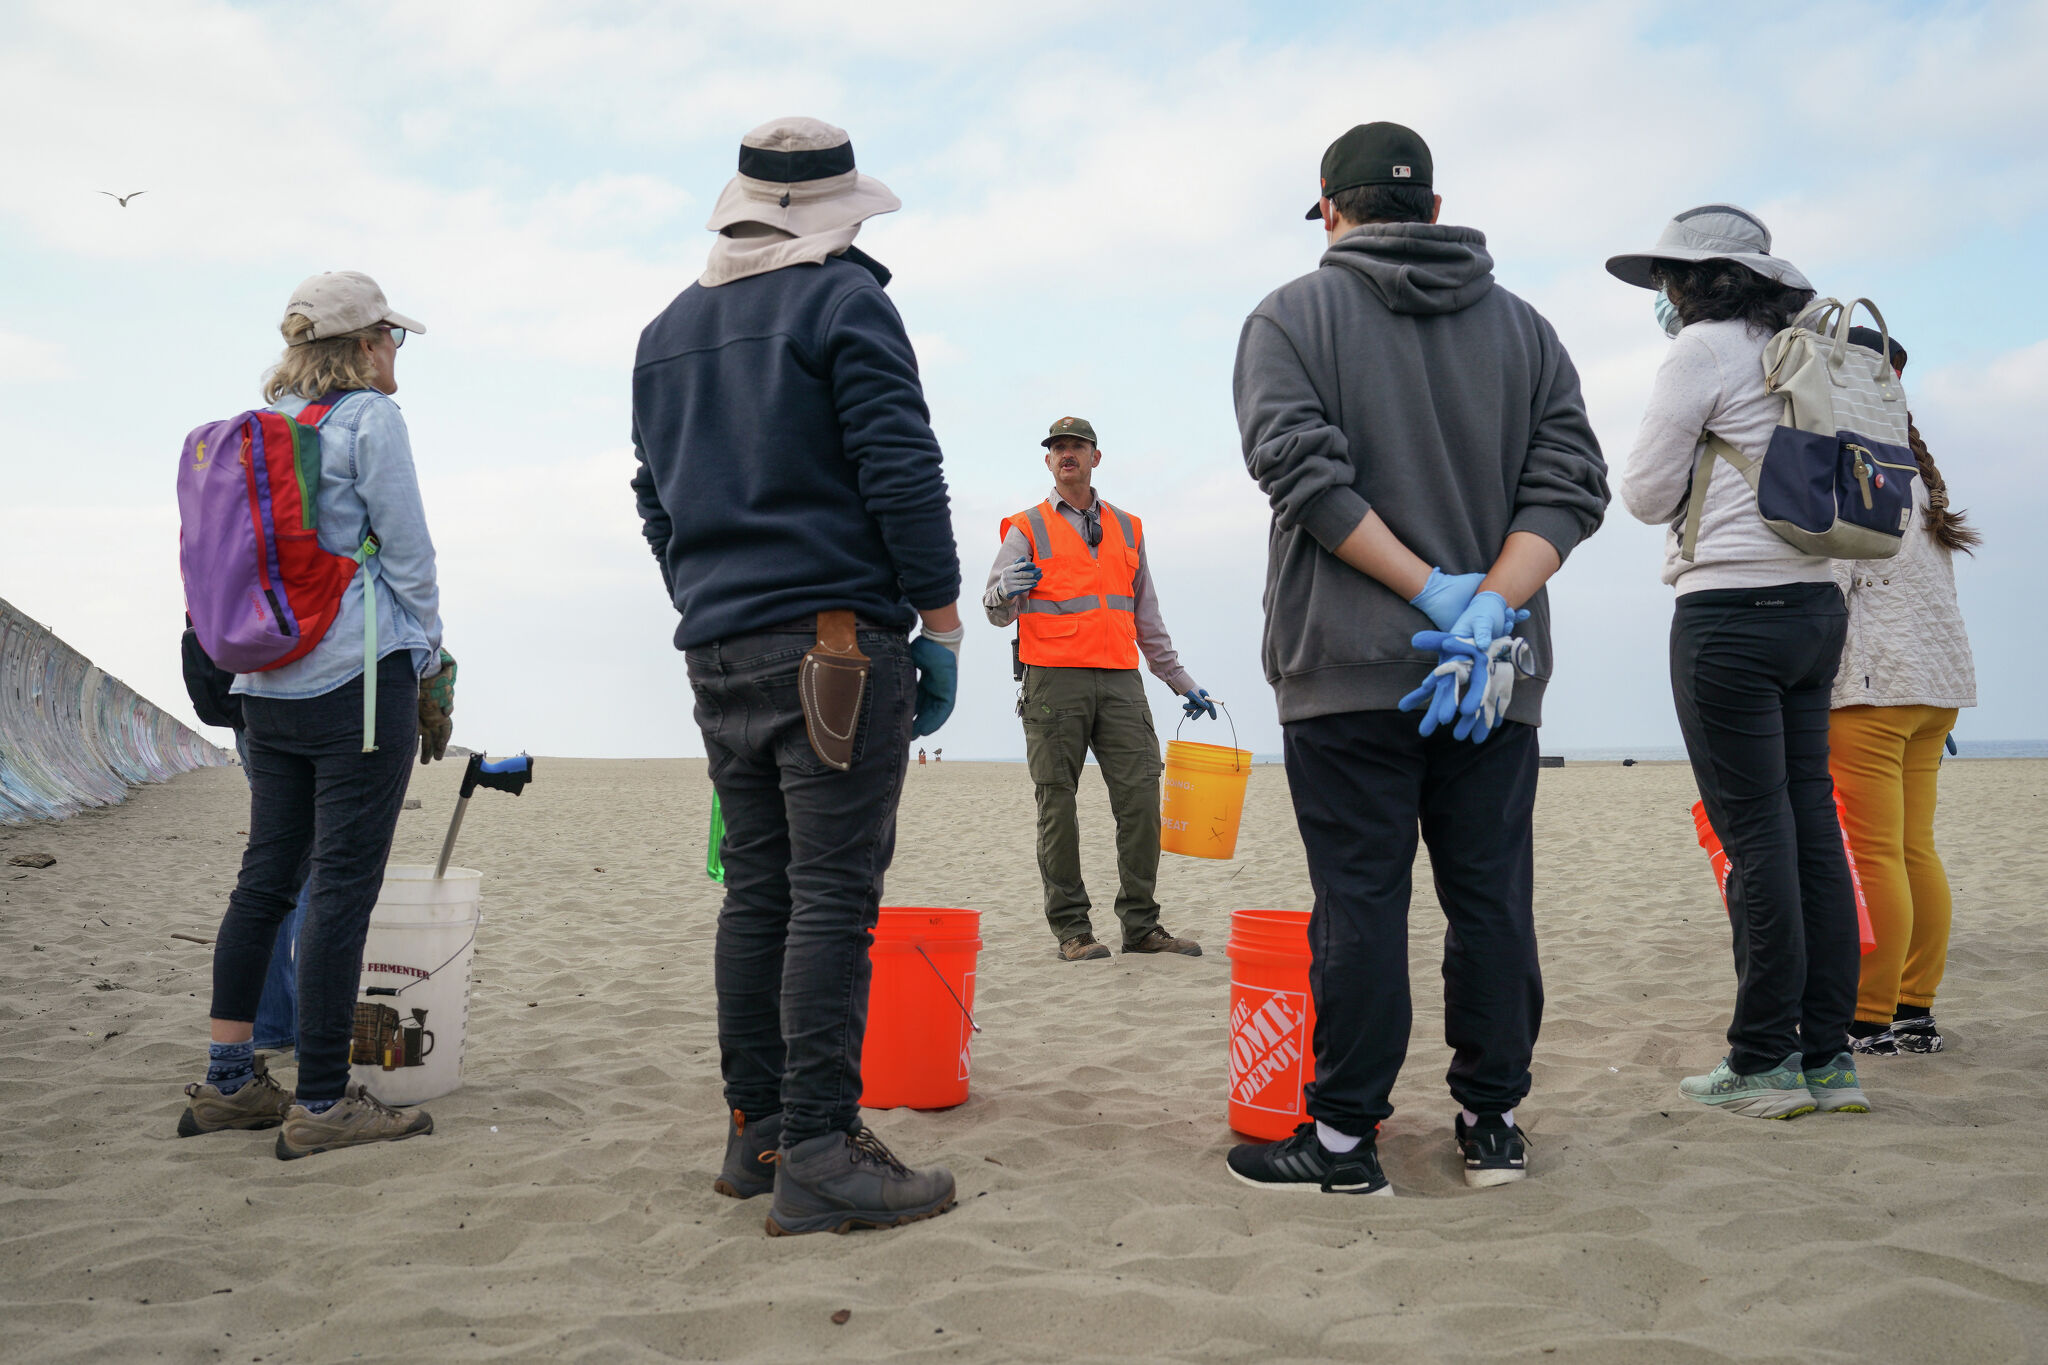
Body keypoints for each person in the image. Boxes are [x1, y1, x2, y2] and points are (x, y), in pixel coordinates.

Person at [1227, 123, 1609, 1195]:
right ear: (1435, 212)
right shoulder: (1526, 331)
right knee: (1488, 897)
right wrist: (1486, 606)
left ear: (1328, 209)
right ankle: (1490, 1125)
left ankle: (1345, 1142)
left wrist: (1427, 593)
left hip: (1346, 669)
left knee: (1359, 902)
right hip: (1489, 676)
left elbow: (1299, 477)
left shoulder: (1288, 317)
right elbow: (1570, 486)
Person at [631, 117, 964, 1236]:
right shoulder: (842, 302)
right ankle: (820, 1147)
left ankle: (757, 1132)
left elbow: (654, 497)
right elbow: (899, 465)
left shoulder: (666, 330)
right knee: (832, 897)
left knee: (759, 892)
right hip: (830, 644)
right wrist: (940, 618)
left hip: (718, 648)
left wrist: (703, 591)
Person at [175, 270, 453, 1158]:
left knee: (265, 882)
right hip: (355, 686)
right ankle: (325, 1100)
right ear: (364, 344)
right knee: (340, 887)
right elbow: (407, 550)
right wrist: (431, 651)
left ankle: (230, 1084)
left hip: (265, 689)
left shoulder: (266, 432)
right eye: (392, 338)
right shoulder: (370, 419)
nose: (395, 353)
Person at [1609, 205, 1868, 1120]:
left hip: (1727, 613)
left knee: (1755, 837)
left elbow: (1641, 493)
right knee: (1810, 831)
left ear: (1693, 281)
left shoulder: (1702, 351)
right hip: (1816, 606)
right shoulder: (1807, 347)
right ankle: (1830, 1058)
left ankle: (1763, 1058)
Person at [985, 415, 1215, 962]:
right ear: (1048, 461)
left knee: (1140, 801)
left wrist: (1181, 680)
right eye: (1058, 448)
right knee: (1057, 806)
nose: (1067, 455)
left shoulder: (1129, 528)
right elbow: (996, 611)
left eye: (1077, 447)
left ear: (1095, 457)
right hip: (1052, 684)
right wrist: (1004, 592)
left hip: (1120, 682)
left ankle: (1141, 927)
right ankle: (1072, 931)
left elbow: (1147, 618)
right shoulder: (1027, 526)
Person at [1829, 328, 1978, 1057]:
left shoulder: (1857, 462)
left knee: (1876, 852)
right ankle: (1916, 1007)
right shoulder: (1918, 471)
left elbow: (1835, 578)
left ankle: (1869, 1015)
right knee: (1915, 846)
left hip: (1873, 687)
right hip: (1935, 687)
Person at [181, 619, 310, 1052]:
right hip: (319, 698)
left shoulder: (209, 550)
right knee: (320, 870)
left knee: (273, 871)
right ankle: (317, 1034)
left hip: (248, 705)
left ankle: (273, 1028)